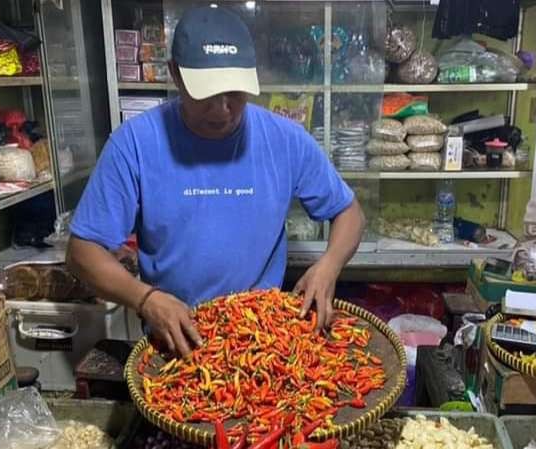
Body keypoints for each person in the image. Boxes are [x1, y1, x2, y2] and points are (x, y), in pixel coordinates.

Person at [66, 6, 365, 356]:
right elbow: (82, 251)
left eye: (235, 93)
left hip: (262, 336)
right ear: (175, 75)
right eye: (206, 94)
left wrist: (329, 265)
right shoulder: (135, 144)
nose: (222, 109)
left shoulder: (285, 139)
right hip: (178, 338)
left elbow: (350, 212)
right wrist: (145, 298)